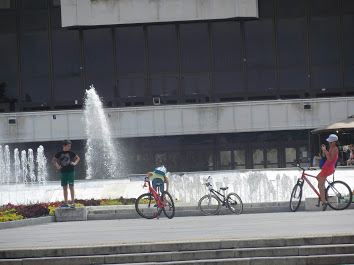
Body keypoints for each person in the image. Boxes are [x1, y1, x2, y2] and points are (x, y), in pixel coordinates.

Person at [52, 140, 80, 208]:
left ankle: (73, 202)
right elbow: (54, 160)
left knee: (71, 186)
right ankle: (66, 202)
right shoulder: (60, 153)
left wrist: (74, 163)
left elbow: (77, 158)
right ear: (64, 146)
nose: (69, 147)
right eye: (68, 146)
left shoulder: (71, 153)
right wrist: (57, 166)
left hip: (70, 171)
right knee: (64, 187)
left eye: (70, 146)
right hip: (63, 172)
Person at [317, 134, 338, 211]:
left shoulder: (335, 149)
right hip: (326, 168)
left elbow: (330, 159)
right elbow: (326, 157)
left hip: (328, 168)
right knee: (318, 177)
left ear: (334, 142)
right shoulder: (331, 148)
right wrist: (324, 151)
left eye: (330, 142)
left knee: (319, 186)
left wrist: (325, 151)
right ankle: (324, 192)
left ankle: (323, 202)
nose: (329, 143)